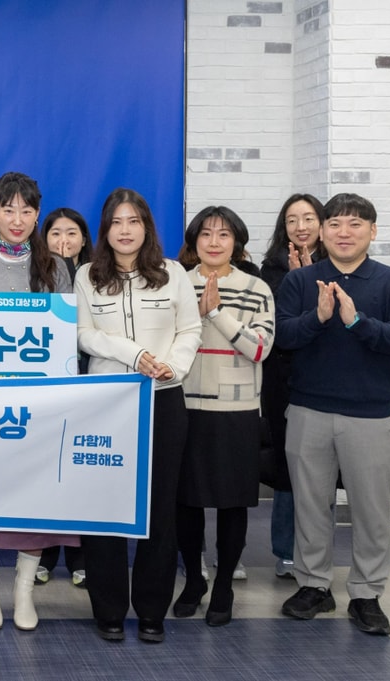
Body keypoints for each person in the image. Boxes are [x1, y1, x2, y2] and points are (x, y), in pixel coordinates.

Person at [275, 193, 390, 636]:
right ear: (322, 231)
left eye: (355, 224)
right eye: (335, 223)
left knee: (371, 509)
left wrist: (358, 322)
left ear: (372, 231)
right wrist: (318, 318)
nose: (344, 232)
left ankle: (367, 593)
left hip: (370, 415)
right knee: (310, 505)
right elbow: (282, 337)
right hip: (309, 410)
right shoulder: (300, 281)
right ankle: (314, 585)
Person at [75, 187, 202, 643]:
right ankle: (108, 610)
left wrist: (173, 366)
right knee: (103, 506)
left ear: (146, 227)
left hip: (162, 398)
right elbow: (84, 334)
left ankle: (151, 611)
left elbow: (191, 329)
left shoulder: (173, 273)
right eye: (116, 222)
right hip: (106, 401)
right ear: (105, 229)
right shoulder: (87, 275)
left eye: (134, 221)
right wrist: (132, 353)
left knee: (159, 509)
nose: (125, 231)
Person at [0, 172, 75, 631]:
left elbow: (67, 336)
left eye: (26, 210)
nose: (17, 219)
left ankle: (24, 592)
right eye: (8, 210)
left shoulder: (55, 267)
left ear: (37, 214)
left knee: (33, 502)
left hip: (39, 408)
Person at [172, 206, 274, 626]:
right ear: (194, 241)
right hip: (183, 405)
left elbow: (260, 349)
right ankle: (194, 580)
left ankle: (225, 585)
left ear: (237, 243)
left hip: (236, 410)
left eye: (224, 235)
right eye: (206, 234)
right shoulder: (176, 282)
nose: (214, 242)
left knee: (233, 503)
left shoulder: (256, 288)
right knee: (185, 502)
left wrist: (216, 313)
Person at [260, 194, 327, 580]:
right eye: (291, 220)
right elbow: (278, 324)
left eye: (308, 218)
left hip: (325, 377)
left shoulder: (337, 265)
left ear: (322, 222)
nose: (300, 227)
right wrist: (297, 280)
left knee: (322, 466)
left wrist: (312, 275)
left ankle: (317, 550)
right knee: (289, 461)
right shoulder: (271, 268)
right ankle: (285, 549)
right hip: (283, 378)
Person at [35, 207, 93, 587]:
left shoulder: (97, 274)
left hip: (89, 384)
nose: (63, 241)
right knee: (46, 473)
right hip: (48, 387)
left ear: (84, 239)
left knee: (80, 473)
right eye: (55, 233)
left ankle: (80, 558)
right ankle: (43, 555)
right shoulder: (36, 274)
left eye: (71, 233)